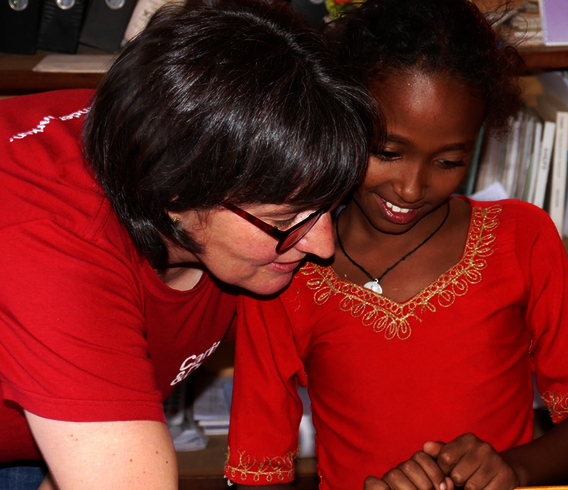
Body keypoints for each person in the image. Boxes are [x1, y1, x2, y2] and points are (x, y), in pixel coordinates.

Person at [0, 1, 379, 488]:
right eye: (286, 220)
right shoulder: (56, 253)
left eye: (333, 205)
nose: (323, 246)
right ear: (172, 194)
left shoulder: (188, 141)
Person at [224, 0, 568, 489]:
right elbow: (257, 471)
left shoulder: (522, 240)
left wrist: (513, 468)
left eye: (449, 161)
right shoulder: (282, 271)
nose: (411, 189)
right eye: (387, 152)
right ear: (341, 119)